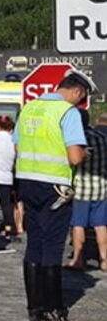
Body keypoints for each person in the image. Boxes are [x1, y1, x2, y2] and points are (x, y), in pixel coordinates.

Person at [14, 71, 93, 321]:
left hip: (27, 181)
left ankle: (33, 309)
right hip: (56, 186)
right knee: (52, 246)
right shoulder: (67, 113)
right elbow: (74, 157)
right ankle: (54, 310)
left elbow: (17, 147)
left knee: (34, 243)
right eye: (82, 98)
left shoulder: (29, 108)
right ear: (78, 92)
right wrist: (85, 155)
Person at [66, 108, 107, 272]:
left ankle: (78, 259)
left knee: (78, 224)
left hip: (81, 188)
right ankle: (104, 260)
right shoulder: (102, 138)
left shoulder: (76, 140)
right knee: (101, 225)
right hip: (102, 188)